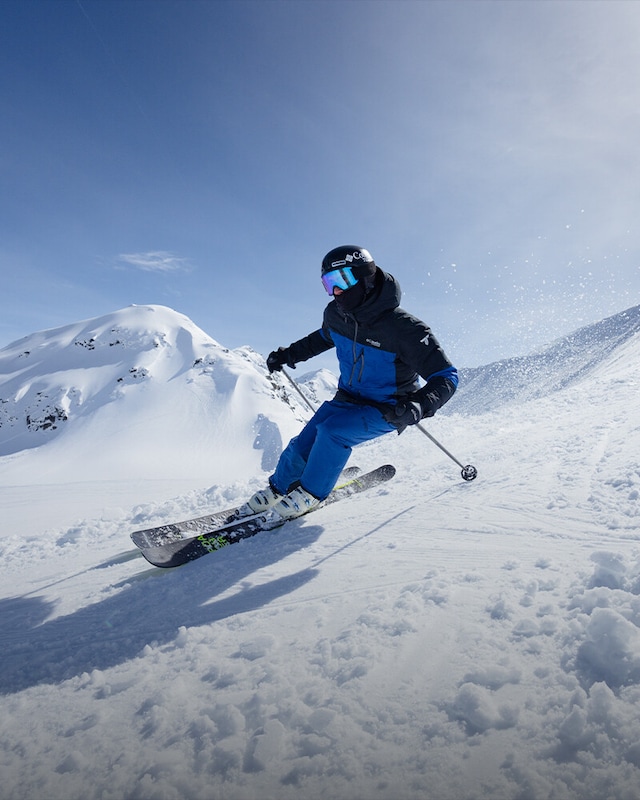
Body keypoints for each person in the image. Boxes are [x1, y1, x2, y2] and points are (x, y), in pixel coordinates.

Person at [247, 245, 458, 519]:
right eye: (328, 284)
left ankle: (310, 494)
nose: (335, 292)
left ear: (365, 278)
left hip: (389, 407)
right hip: (347, 397)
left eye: (341, 281)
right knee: (305, 441)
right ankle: (278, 488)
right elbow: (322, 338)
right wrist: (289, 355)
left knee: (332, 432)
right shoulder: (336, 315)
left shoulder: (405, 329)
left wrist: (419, 405)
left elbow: (446, 376)